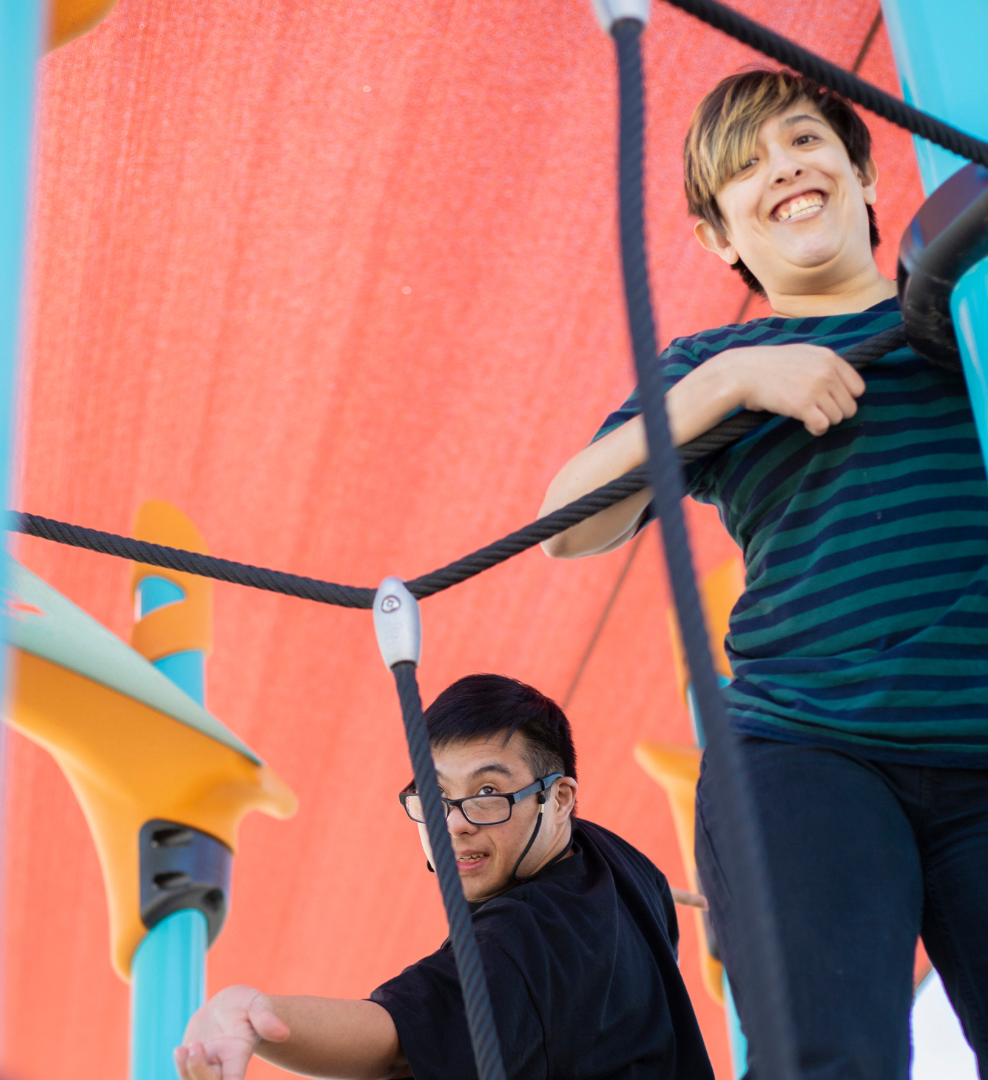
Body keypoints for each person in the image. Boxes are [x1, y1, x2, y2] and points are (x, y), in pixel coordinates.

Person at [540, 67, 988, 1079]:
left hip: (983, 745)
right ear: (719, 238)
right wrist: (732, 380)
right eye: (744, 171)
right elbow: (566, 526)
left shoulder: (968, 311)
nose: (782, 170)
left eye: (801, 142)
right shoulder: (713, 366)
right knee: (825, 1058)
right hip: (808, 749)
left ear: (865, 170)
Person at [175, 673, 714, 1080]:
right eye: (434, 796)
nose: (454, 824)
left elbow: (398, 1035)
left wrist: (252, 1011)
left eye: (487, 793)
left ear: (559, 799)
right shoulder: (616, 858)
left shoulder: (525, 938)